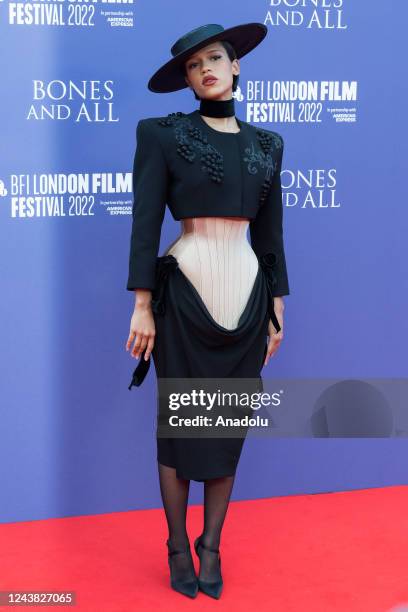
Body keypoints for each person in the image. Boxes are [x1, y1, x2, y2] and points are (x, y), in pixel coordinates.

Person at [125, 23, 290, 599]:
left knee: (226, 423)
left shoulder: (268, 144)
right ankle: (176, 545)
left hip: (246, 292)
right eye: (194, 66)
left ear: (236, 64)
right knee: (179, 424)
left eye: (215, 59)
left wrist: (275, 305)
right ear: (186, 81)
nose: (206, 70)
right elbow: (145, 222)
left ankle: (211, 544)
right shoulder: (162, 134)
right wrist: (142, 304)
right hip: (186, 290)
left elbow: (271, 234)